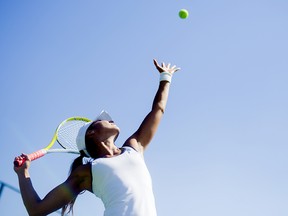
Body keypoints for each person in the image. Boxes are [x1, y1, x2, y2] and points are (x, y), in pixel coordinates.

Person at [14, 59, 180, 216]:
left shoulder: (134, 147)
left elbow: (158, 110)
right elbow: (36, 210)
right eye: (103, 120)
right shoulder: (87, 171)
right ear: (91, 133)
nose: (110, 119)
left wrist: (165, 77)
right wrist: (23, 173)